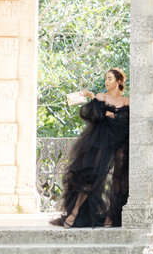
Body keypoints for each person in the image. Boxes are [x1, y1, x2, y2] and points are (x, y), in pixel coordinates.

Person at [52, 68, 130, 228]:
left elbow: (128, 119)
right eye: (106, 78)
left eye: (109, 78)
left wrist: (112, 115)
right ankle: (74, 212)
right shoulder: (101, 97)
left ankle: (110, 216)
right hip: (103, 139)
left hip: (121, 140)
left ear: (119, 82)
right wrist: (92, 97)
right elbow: (94, 114)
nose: (106, 82)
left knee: (117, 179)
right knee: (91, 175)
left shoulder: (127, 101)